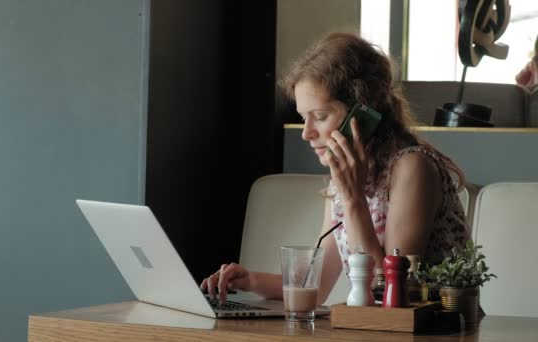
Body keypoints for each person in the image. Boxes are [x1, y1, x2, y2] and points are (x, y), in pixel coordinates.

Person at [200, 32, 469, 305]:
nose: (306, 133)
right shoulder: (342, 181)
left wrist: (353, 200)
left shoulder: (412, 167)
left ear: (361, 115)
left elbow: (386, 292)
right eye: (304, 118)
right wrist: (249, 280)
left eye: (319, 116)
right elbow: (315, 286)